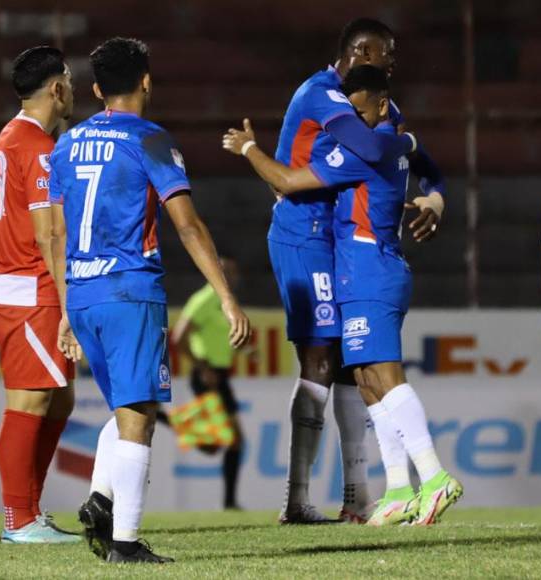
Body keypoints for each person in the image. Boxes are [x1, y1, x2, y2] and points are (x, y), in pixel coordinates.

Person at [224, 65, 463, 526]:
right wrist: (431, 185)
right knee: (366, 378)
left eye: (359, 109)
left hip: (370, 270)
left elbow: (288, 181)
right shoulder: (392, 142)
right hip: (360, 271)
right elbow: (418, 159)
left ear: (380, 104)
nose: (350, 117)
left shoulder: (364, 152)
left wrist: (248, 148)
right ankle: (396, 489)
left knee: (385, 376)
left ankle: (433, 477)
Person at [50, 37, 251, 564]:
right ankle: (126, 542)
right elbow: (186, 224)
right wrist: (225, 296)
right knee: (139, 414)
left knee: (125, 408)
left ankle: (99, 500)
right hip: (129, 289)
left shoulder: (66, 145)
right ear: (146, 81)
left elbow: (54, 230)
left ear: (95, 89)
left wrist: (67, 309)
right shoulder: (151, 139)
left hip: (85, 293)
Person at [268, 16, 446, 524]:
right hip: (304, 235)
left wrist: (434, 200)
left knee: (352, 363)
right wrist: (405, 146)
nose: (394, 62)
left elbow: (426, 166)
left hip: (343, 243)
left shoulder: (379, 103)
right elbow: (373, 150)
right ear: (362, 52)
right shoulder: (321, 94)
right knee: (321, 359)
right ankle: (298, 499)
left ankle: (358, 496)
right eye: (387, 54)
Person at [0, 46, 80, 544]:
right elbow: (49, 235)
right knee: (29, 402)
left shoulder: (13, 135)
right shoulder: (37, 147)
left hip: (21, 285)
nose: (74, 89)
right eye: (69, 80)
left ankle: (29, 512)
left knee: (60, 399)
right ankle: (18, 520)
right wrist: (68, 305)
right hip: (31, 287)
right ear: (57, 89)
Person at [172, 254, 245, 510]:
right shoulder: (203, 299)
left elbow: (218, 338)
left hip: (219, 374)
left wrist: (246, 351)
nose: (234, 279)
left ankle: (174, 421)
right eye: (229, 273)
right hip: (207, 375)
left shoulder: (223, 302)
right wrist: (202, 366)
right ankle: (230, 502)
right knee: (233, 440)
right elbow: (179, 337)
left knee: (218, 444)